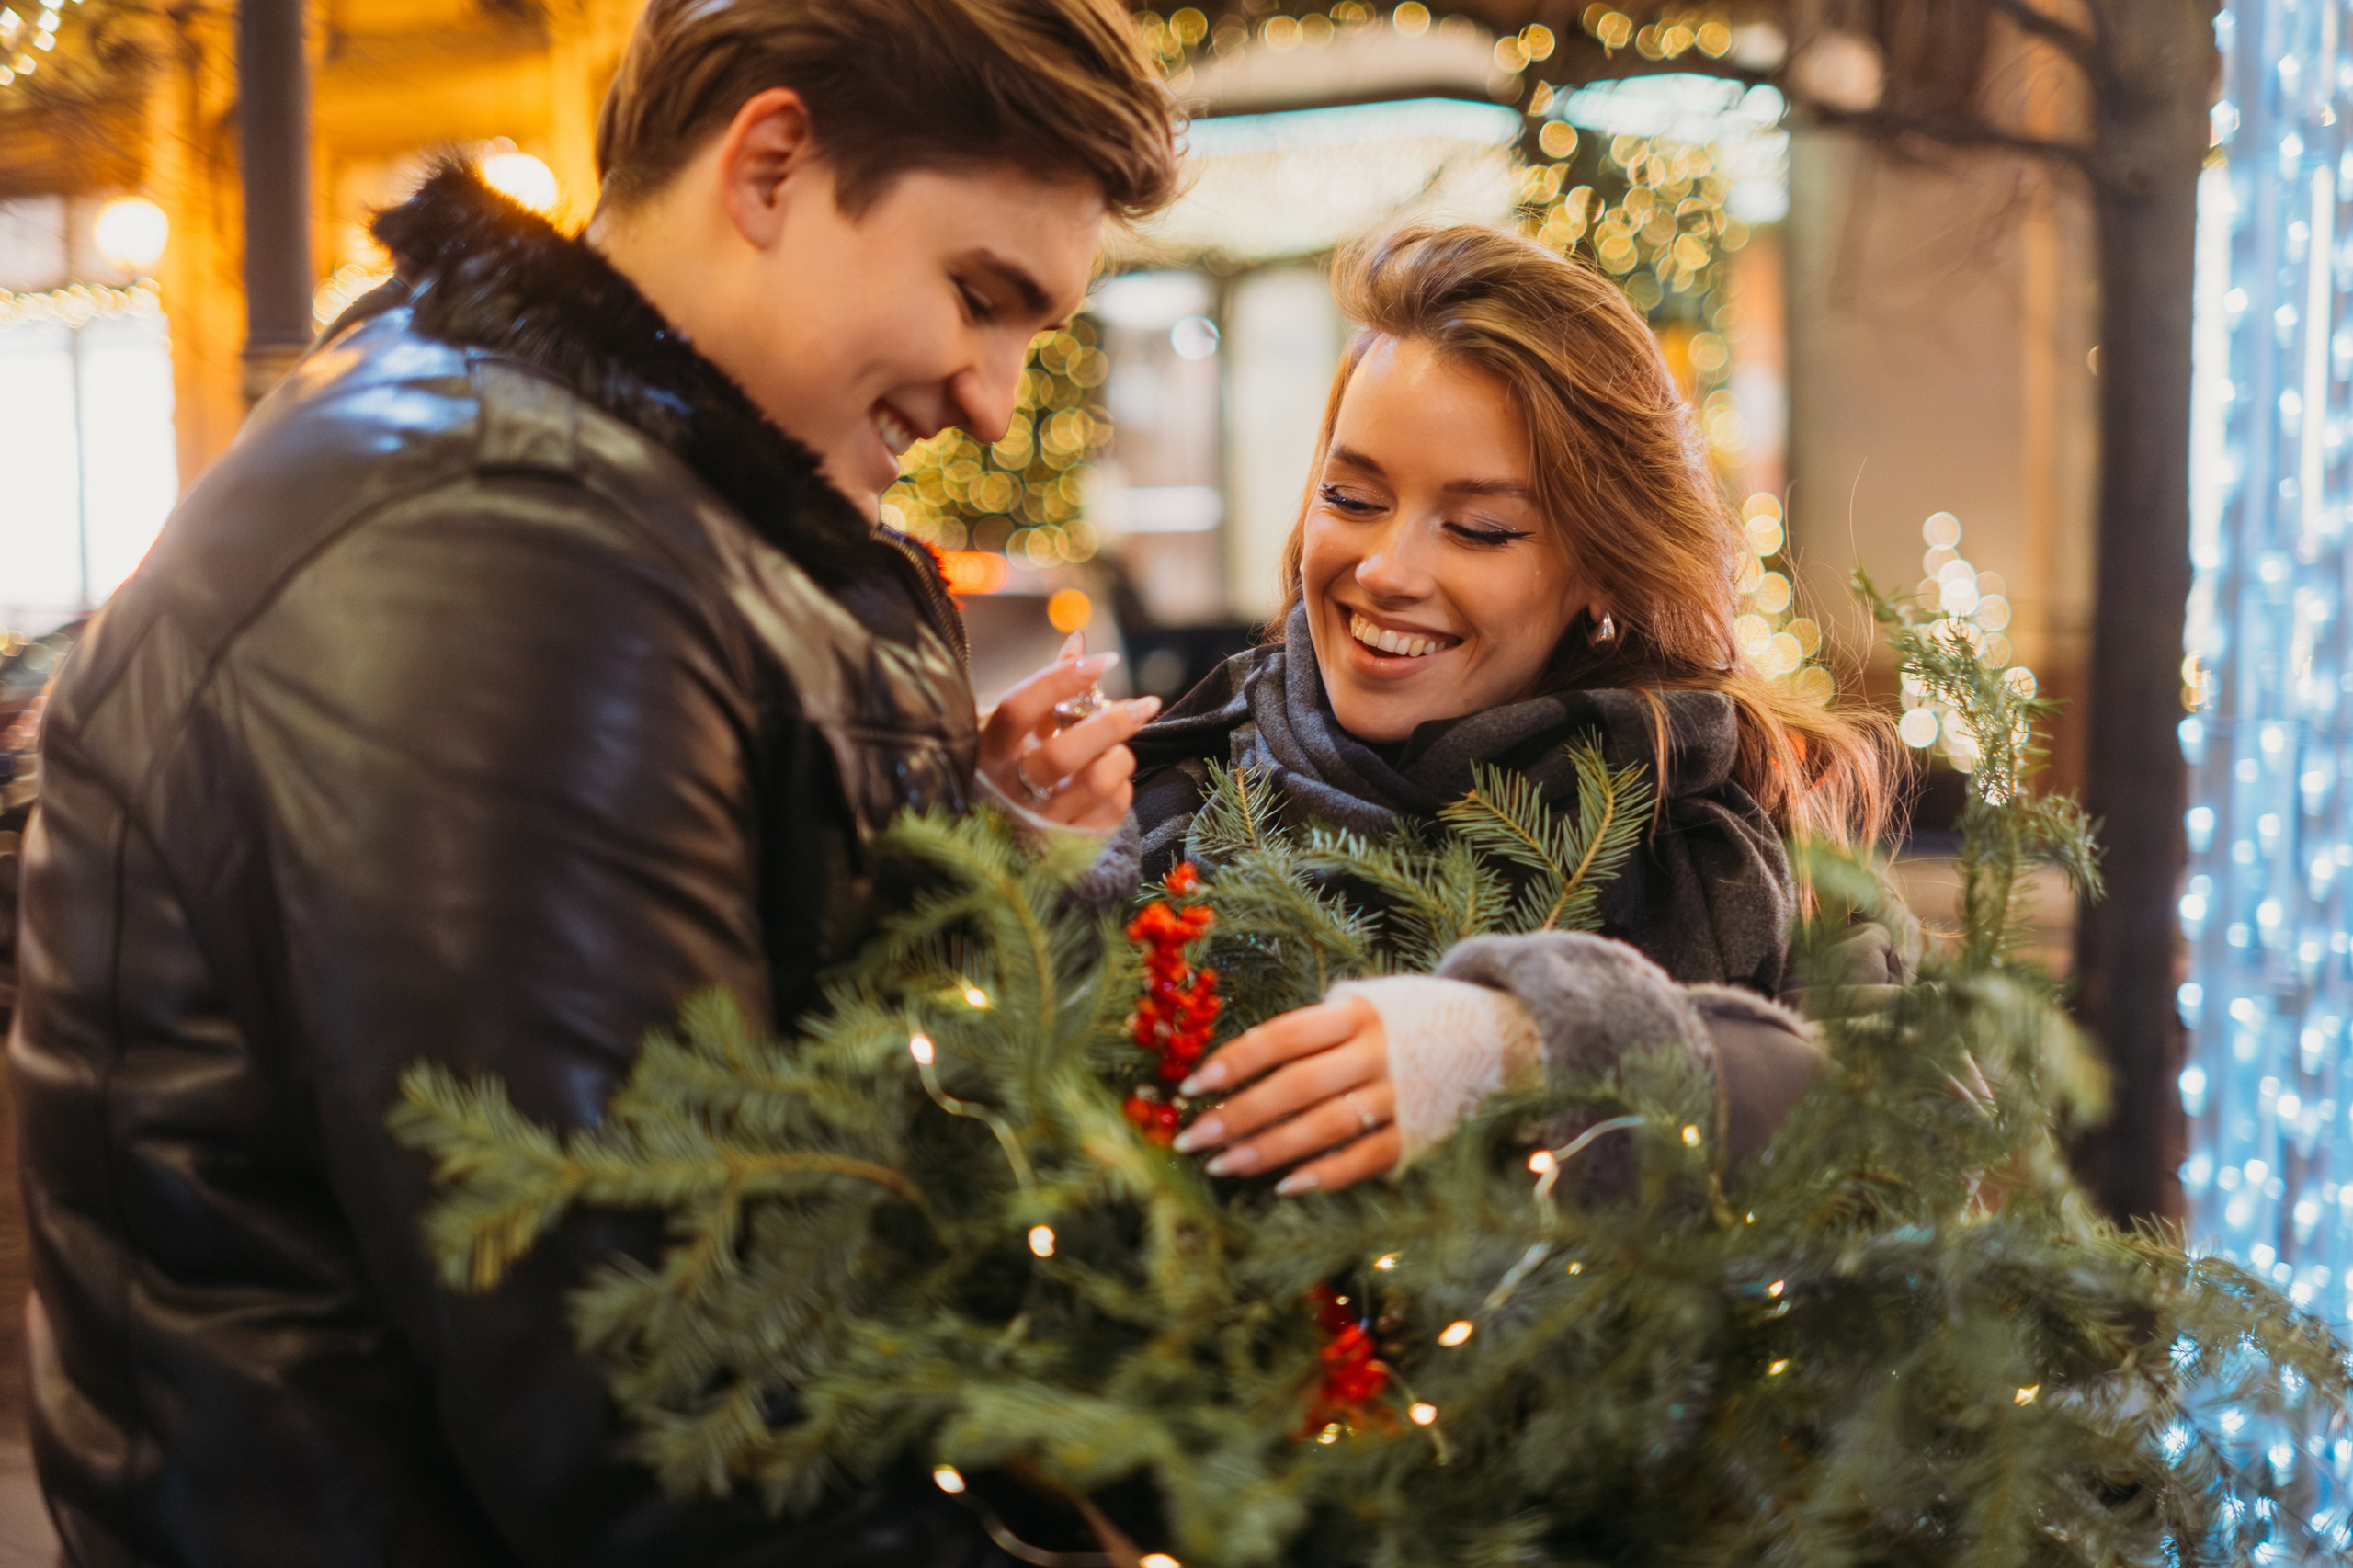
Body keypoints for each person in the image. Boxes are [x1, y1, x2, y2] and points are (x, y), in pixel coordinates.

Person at [7, 2, 1177, 1562]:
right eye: (979, 296)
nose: (995, 397)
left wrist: (983, 856)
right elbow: (670, 1412)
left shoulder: (610, 494)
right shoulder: (499, 550)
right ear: (769, 166)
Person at [1127, 224, 1908, 1199]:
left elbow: (1908, 1146)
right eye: (1351, 497)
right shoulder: (1170, 796)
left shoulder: (1735, 836)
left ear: (1601, 564)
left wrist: (1545, 1043)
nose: (1387, 570)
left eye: (1479, 528)